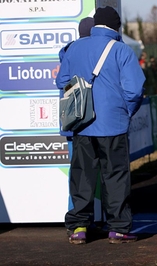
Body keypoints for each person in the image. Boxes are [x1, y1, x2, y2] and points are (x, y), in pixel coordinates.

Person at [56, 6, 145, 245]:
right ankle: (118, 228)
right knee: (115, 176)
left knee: (82, 175)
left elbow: (61, 81)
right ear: (116, 26)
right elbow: (135, 89)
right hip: (113, 124)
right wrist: (126, 110)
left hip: (81, 124)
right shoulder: (121, 50)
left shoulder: (74, 48)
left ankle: (79, 228)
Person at [58, 17, 95, 211]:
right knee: (92, 171)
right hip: (89, 122)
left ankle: (77, 220)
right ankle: (91, 217)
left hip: (71, 120)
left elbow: (61, 83)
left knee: (77, 172)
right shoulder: (93, 52)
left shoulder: (68, 52)